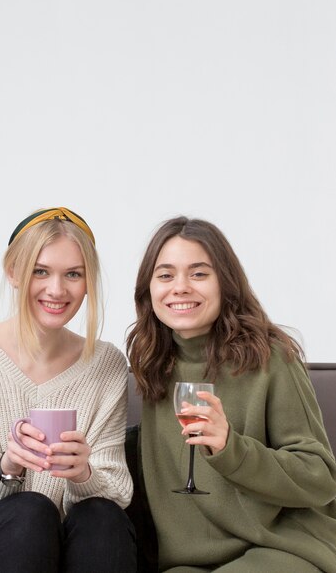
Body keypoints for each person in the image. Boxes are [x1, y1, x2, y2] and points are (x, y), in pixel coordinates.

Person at [0, 207, 136, 573]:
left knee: (102, 516)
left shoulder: (107, 365)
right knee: (30, 510)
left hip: (65, 547)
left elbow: (117, 491)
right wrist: (9, 467)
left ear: (88, 282)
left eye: (73, 274)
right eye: (40, 271)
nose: (57, 289)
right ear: (13, 271)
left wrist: (84, 474)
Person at [126, 216, 336, 573]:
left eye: (198, 273)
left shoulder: (271, 360)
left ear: (226, 282)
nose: (180, 287)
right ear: (149, 290)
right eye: (165, 275)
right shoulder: (152, 365)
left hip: (283, 547)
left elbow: (319, 478)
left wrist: (229, 449)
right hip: (187, 562)